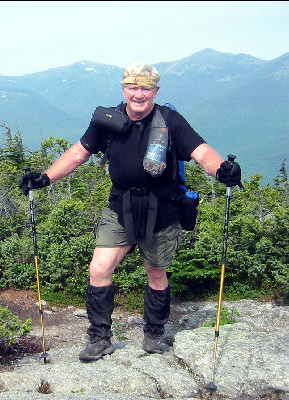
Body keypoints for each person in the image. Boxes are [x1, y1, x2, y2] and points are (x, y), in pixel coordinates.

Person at [19, 61, 242, 363]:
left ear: (155, 91)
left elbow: (200, 151)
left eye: (145, 88)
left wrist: (222, 171)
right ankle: (99, 338)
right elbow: (79, 153)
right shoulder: (107, 121)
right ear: (123, 89)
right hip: (121, 205)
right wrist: (45, 178)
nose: (139, 94)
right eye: (132, 87)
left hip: (163, 208)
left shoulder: (171, 121)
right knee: (99, 268)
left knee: (156, 272)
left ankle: (153, 334)